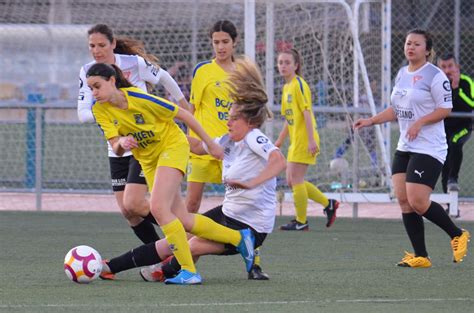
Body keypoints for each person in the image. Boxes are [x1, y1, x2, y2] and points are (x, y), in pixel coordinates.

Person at [101, 57, 286, 283]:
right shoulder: (227, 140)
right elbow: (198, 146)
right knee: (179, 232)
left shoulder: (254, 137)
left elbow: (279, 161)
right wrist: (161, 137)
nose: (228, 122)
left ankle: (187, 267)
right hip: (228, 213)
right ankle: (112, 266)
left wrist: (252, 183)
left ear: (249, 121)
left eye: (234, 118)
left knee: (190, 243)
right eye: (228, 117)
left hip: (253, 224)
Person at [353, 29, 470, 267]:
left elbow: (444, 109)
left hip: (429, 147)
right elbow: (395, 109)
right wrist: (371, 120)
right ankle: (421, 256)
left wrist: (419, 122)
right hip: (405, 145)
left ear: (427, 50)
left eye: (417, 44)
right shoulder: (401, 74)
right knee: (404, 200)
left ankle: (457, 234)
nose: (411, 47)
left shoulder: (435, 75)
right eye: (408, 43)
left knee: (418, 201)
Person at [78, 24, 190, 247]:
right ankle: (164, 253)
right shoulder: (87, 72)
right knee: (128, 212)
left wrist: (184, 104)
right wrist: (104, 112)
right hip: (117, 146)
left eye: (102, 45)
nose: (97, 50)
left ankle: (181, 235)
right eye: (92, 45)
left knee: (137, 203)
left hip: (144, 144)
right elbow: (82, 113)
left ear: (113, 44)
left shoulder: (133, 63)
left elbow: (165, 77)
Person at [186, 20, 268, 277]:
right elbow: (192, 110)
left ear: (234, 42)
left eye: (225, 42)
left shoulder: (243, 73)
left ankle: (253, 262)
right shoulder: (202, 71)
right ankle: (184, 263)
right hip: (204, 148)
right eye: (216, 42)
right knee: (191, 205)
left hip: (232, 150)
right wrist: (195, 142)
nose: (220, 47)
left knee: (242, 207)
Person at [275, 48, 339, 231]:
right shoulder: (286, 87)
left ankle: (301, 221)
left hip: (304, 139)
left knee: (295, 179)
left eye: (287, 63)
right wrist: (280, 141)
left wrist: (312, 140)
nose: (283, 66)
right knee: (292, 180)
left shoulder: (298, 84)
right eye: (280, 63)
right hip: (296, 141)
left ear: (296, 65)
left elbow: (307, 112)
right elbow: (290, 119)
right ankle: (328, 204)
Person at [437, 54, 474, 194]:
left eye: (450, 66)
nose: (447, 70)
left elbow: (471, 105)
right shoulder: (436, 83)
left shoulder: (467, 82)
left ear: (457, 67)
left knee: (455, 142)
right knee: (444, 161)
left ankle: (454, 179)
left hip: (463, 126)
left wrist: (456, 87)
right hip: (443, 128)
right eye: (443, 67)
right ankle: (449, 202)